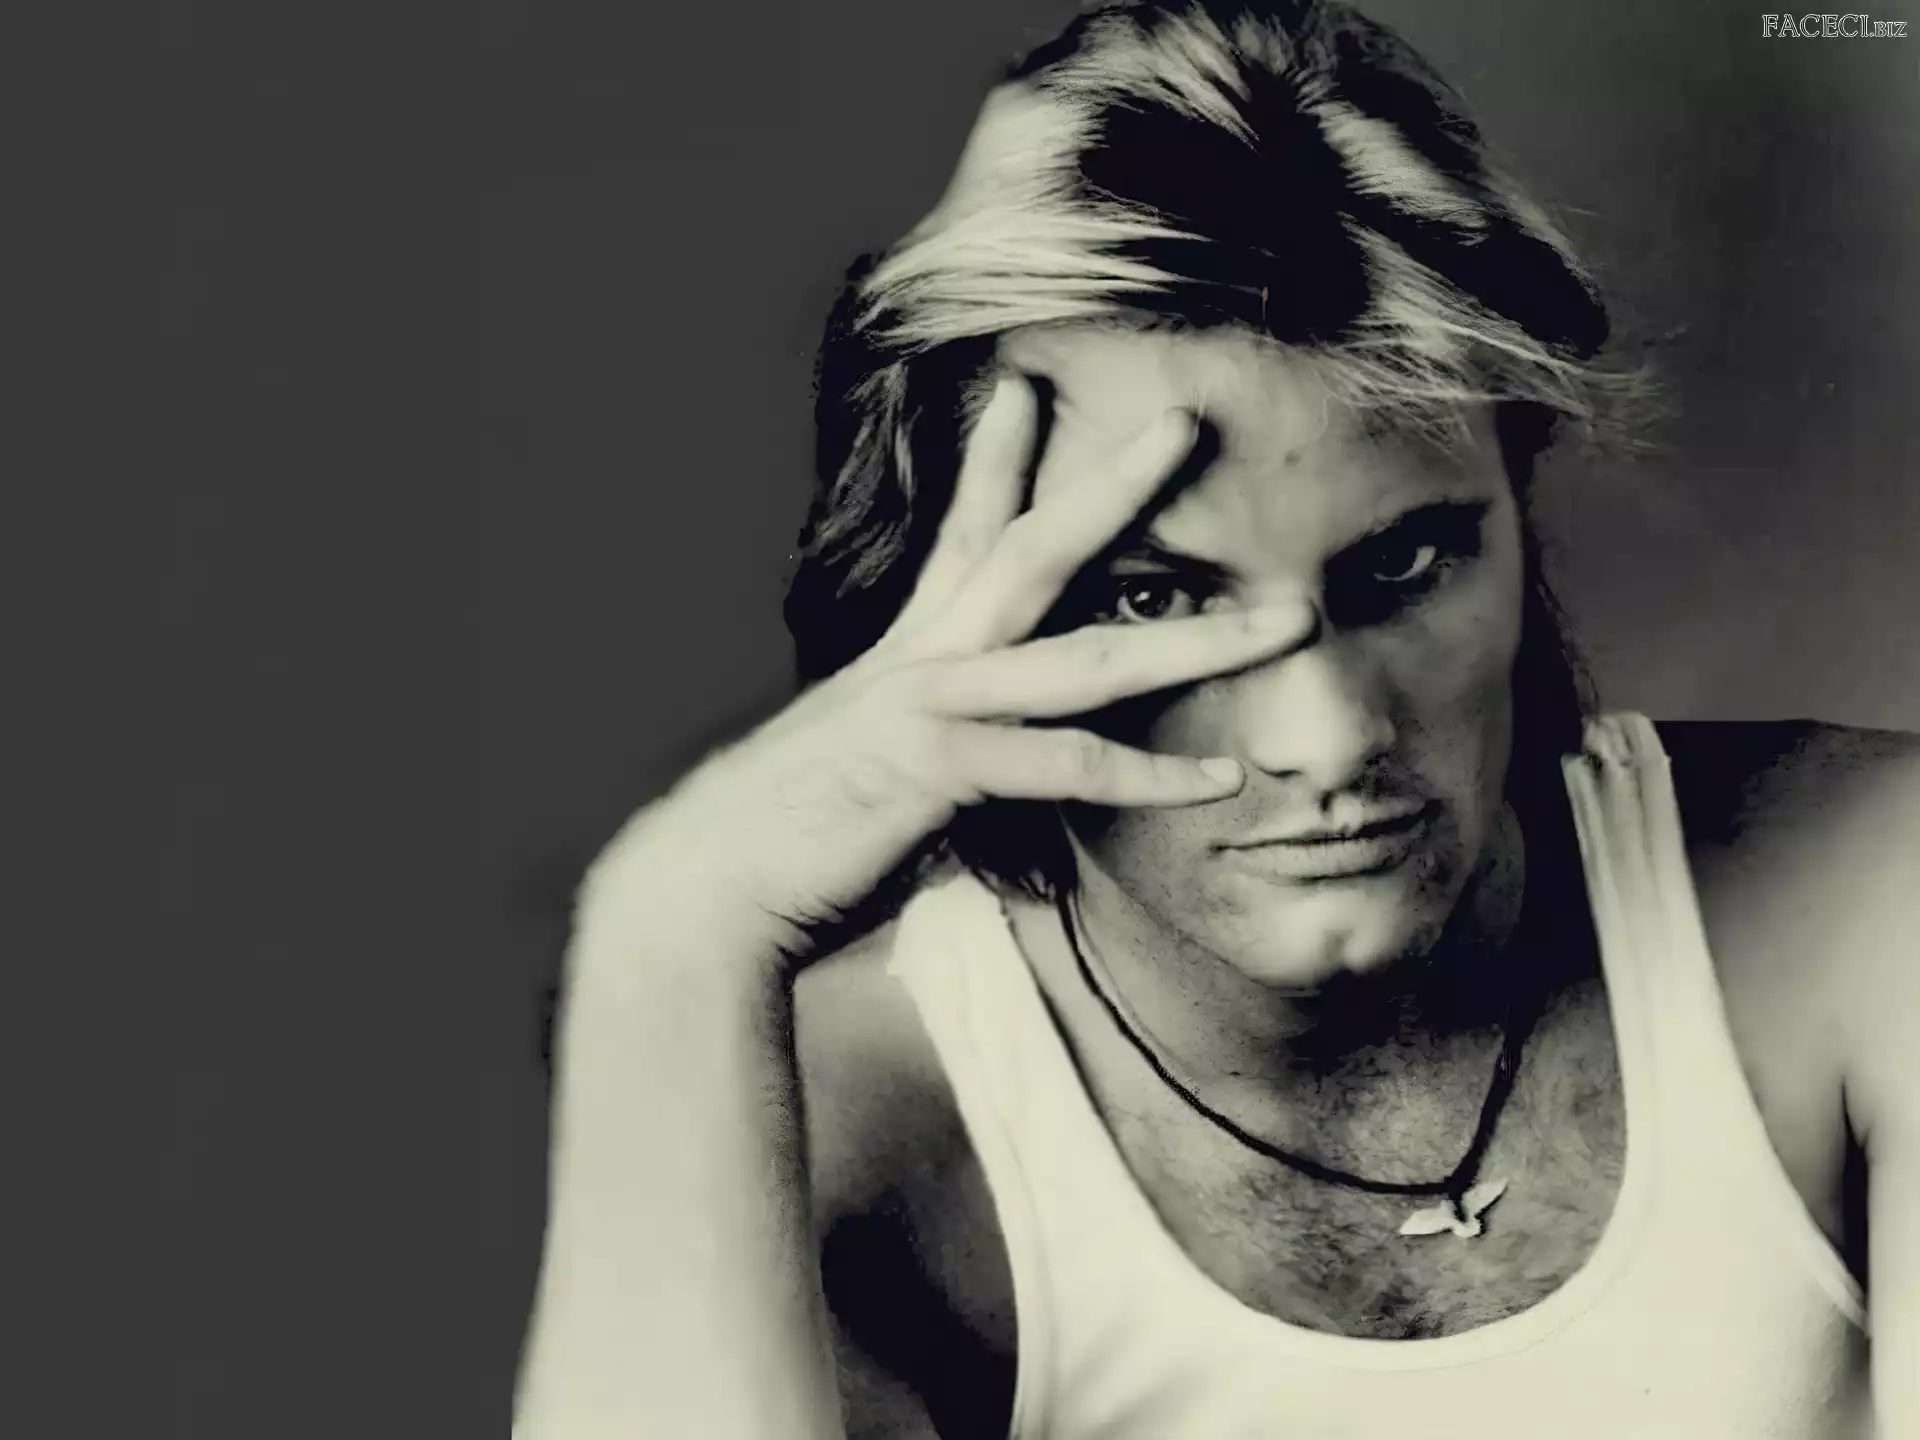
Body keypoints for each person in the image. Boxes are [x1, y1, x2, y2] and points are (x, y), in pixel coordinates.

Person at [513, 2, 1918, 1436]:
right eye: (1153, 600)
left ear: (1518, 502)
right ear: (930, 614)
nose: (1329, 738)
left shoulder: (1870, 887)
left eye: (1403, 568)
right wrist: (674, 925)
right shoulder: (826, 1123)